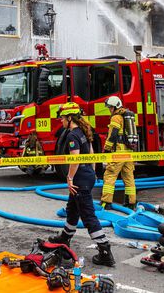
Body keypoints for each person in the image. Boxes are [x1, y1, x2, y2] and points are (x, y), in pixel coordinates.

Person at [48, 102, 115, 267]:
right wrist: (92, 173)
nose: (61, 121)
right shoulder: (84, 131)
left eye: (63, 118)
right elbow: (91, 154)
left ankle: (105, 250)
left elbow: (75, 159)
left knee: (87, 215)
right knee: (72, 208)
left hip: (80, 179)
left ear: (70, 118)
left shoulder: (72, 135)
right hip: (87, 176)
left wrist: (70, 178)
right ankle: (65, 238)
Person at [100, 96, 137, 210]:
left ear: (115, 106)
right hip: (128, 151)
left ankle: (106, 202)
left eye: (110, 107)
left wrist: (106, 149)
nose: (109, 109)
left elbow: (113, 134)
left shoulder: (116, 118)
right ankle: (131, 202)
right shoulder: (126, 116)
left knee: (110, 175)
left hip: (119, 151)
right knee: (128, 176)